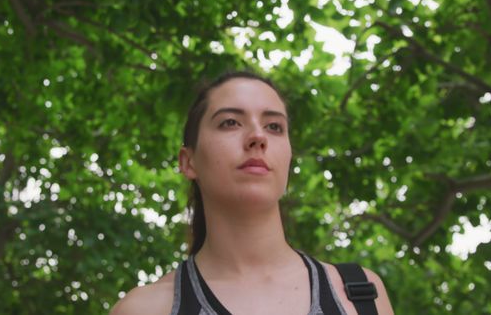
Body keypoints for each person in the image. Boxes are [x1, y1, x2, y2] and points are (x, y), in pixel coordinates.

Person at [111, 71, 394, 315]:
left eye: (274, 127)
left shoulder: (360, 295)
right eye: (230, 122)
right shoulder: (145, 308)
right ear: (189, 161)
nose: (258, 137)